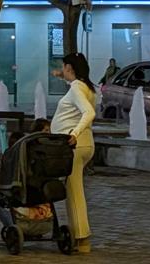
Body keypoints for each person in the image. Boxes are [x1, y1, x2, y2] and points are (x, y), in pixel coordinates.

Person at [51, 51, 96, 254]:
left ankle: (82, 238)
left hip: (75, 147)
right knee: (73, 190)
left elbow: (89, 112)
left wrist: (74, 133)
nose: (62, 70)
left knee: (74, 193)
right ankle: (79, 236)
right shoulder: (85, 86)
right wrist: (62, 76)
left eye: (64, 67)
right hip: (83, 145)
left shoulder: (77, 87)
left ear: (69, 68)